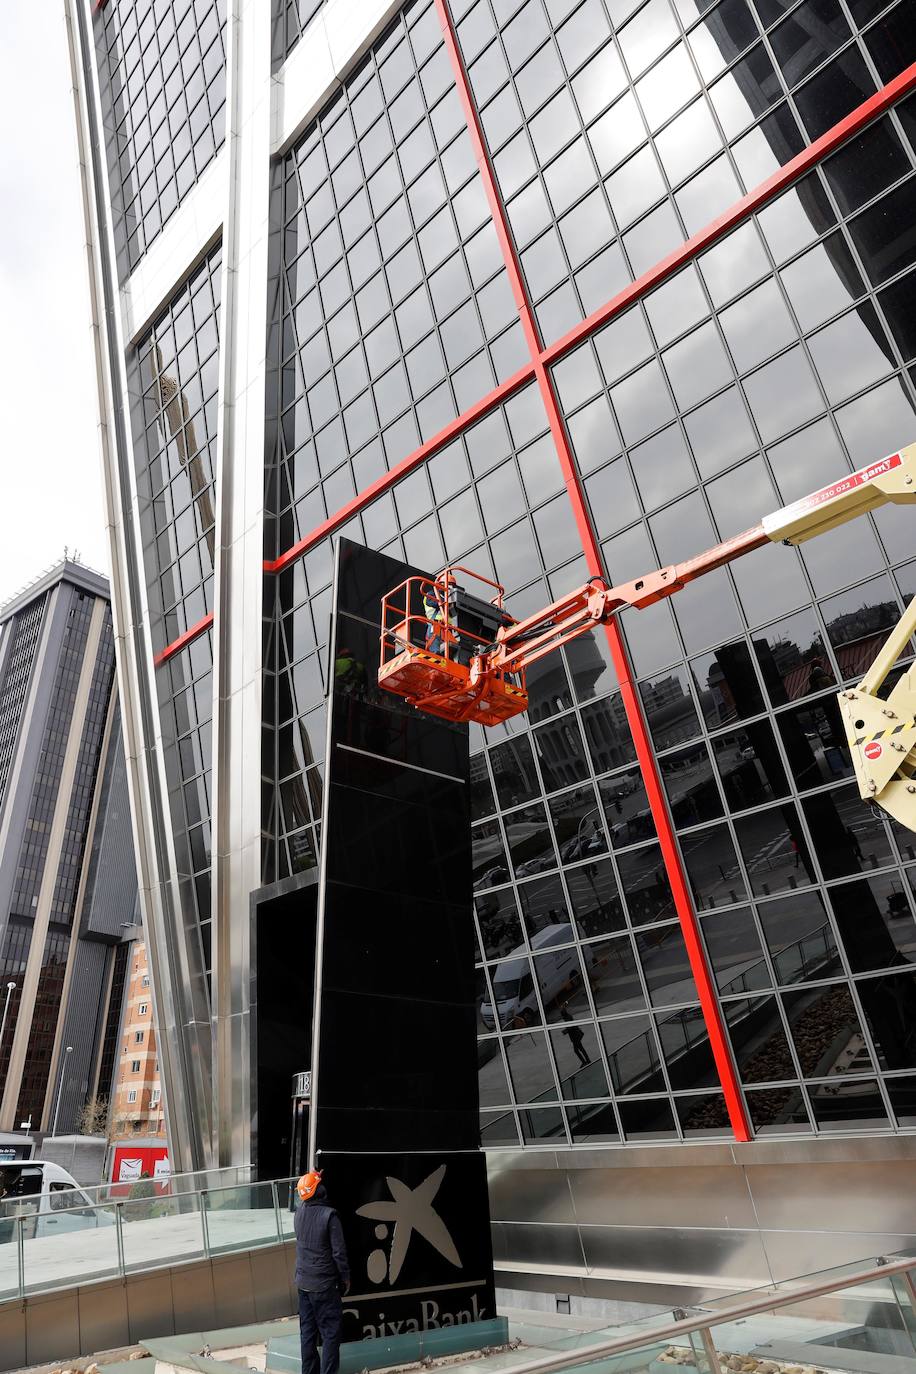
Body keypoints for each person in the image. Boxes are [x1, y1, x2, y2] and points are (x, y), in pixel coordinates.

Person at [294, 1170, 350, 1374]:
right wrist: (345, 1278)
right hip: (324, 1286)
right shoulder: (330, 1216)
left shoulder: (299, 1213)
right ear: (320, 1191)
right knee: (330, 1335)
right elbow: (339, 1253)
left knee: (307, 1334)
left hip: (303, 1284)